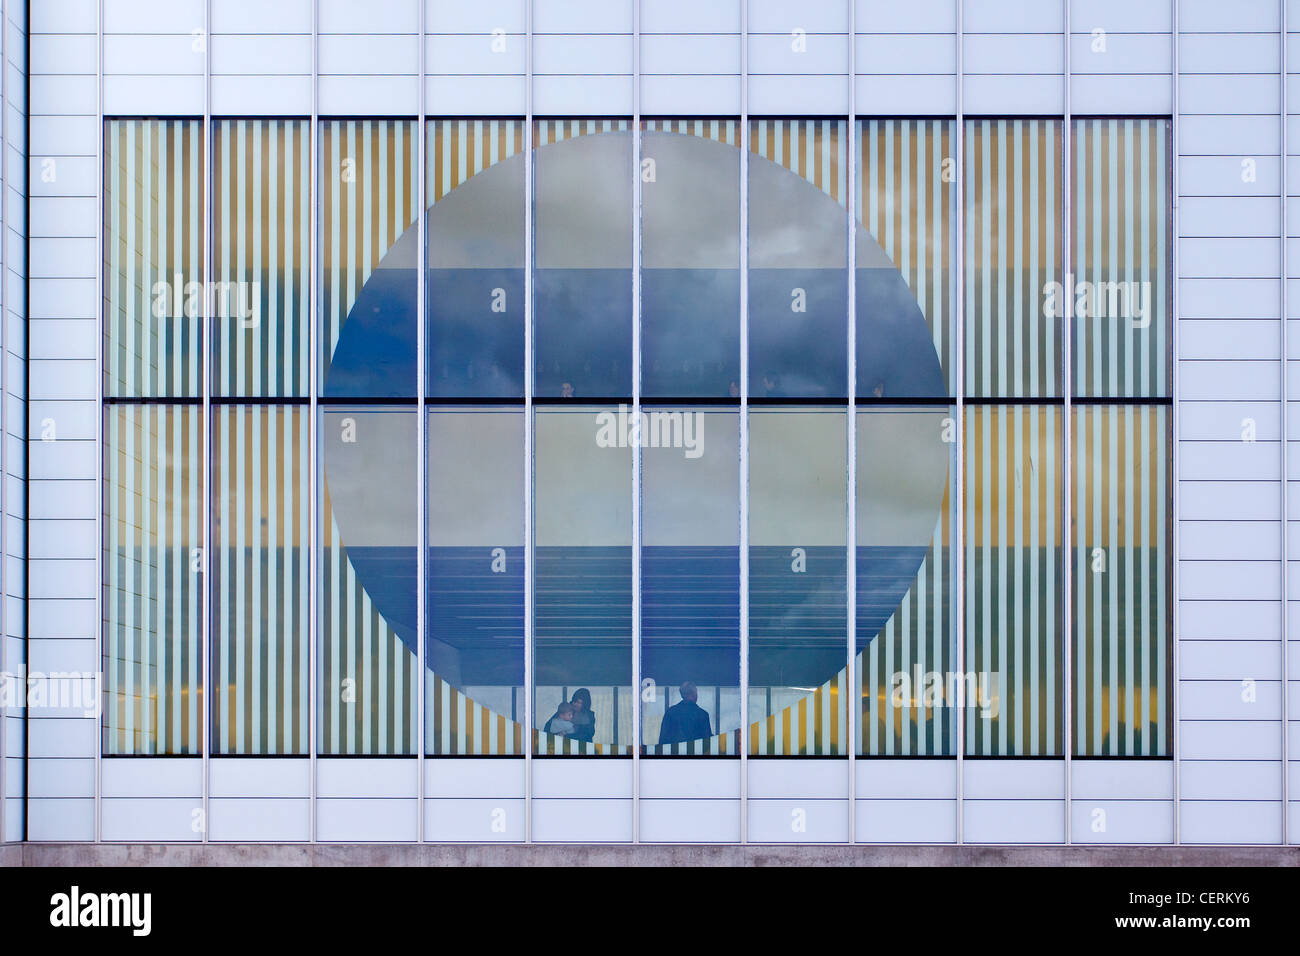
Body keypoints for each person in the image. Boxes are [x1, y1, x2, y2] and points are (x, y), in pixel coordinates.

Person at [658, 681, 712, 746]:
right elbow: (707, 742)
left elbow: (663, 740)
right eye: (696, 692)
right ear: (694, 694)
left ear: (682, 695)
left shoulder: (670, 712)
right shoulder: (703, 715)